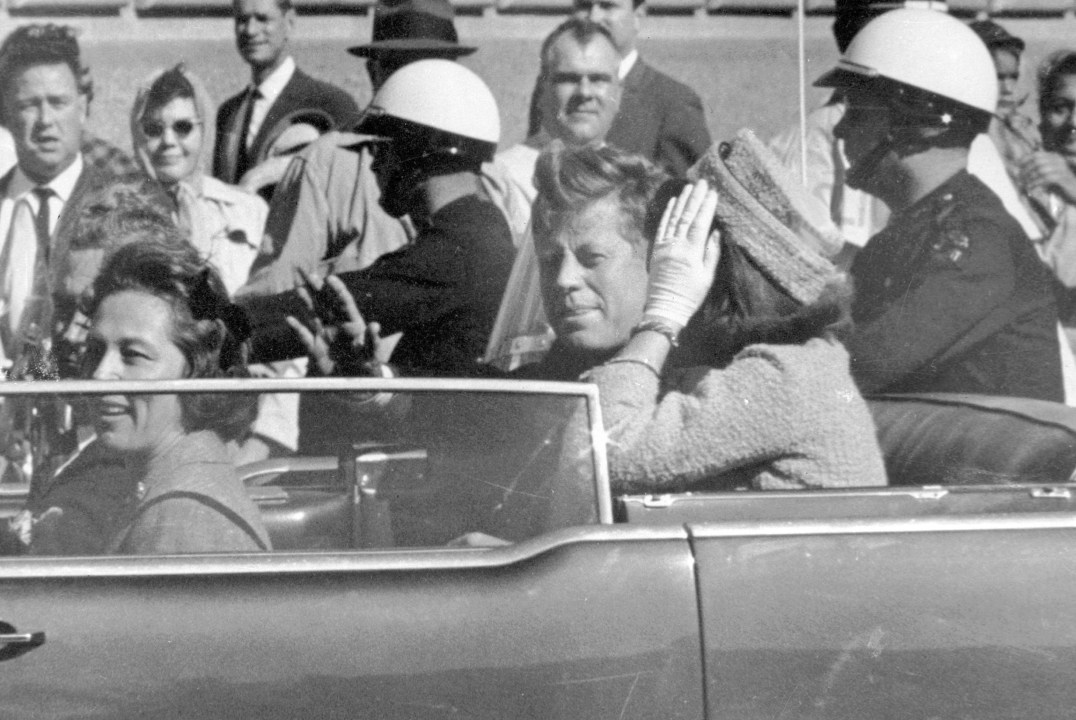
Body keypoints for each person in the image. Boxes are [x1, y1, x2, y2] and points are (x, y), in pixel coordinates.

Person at [566, 136, 885, 492]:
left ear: (718, 270)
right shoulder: (781, 363)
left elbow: (602, 454)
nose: (657, 272)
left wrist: (664, 310)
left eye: (672, 258)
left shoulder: (786, 376)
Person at [817, 8, 1063, 400]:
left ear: (923, 121)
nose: (842, 129)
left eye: (858, 111)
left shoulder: (977, 242)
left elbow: (850, 371)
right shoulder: (912, 233)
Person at [240, 60, 515, 378]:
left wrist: (221, 328)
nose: (371, 164)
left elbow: (344, 303)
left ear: (419, 150)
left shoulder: (461, 246)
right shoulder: (481, 228)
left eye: (381, 149)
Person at [14, 237, 270, 555]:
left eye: (133, 355)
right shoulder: (167, 488)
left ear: (198, 371)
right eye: (95, 351)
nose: (99, 375)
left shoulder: (181, 517)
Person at [235, 0, 474, 299]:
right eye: (403, 68)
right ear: (374, 73)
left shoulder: (480, 167)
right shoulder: (324, 168)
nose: (419, 85)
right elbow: (271, 297)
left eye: (432, 68)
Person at [482, 18, 623, 370]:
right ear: (543, 88)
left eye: (600, 79)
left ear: (619, 93)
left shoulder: (631, 179)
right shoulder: (500, 176)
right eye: (568, 78)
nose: (585, 92)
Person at [0, 24, 135, 376]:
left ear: (83, 105)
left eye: (57, 103)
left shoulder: (126, 207)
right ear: (5, 114)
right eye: (28, 105)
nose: (45, 121)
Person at [524, 0, 709, 177]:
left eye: (607, 5)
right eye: (584, 5)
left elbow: (687, 190)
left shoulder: (674, 101)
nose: (593, 17)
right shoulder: (552, 87)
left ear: (638, 14)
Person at [132, 64, 267, 297]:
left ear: (204, 132)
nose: (168, 141)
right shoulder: (121, 213)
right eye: (153, 129)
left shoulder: (248, 209)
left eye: (183, 127)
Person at [213, 0, 358, 187]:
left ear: (289, 23)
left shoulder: (332, 105)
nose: (250, 30)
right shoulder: (228, 113)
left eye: (262, 19)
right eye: (242, 20)